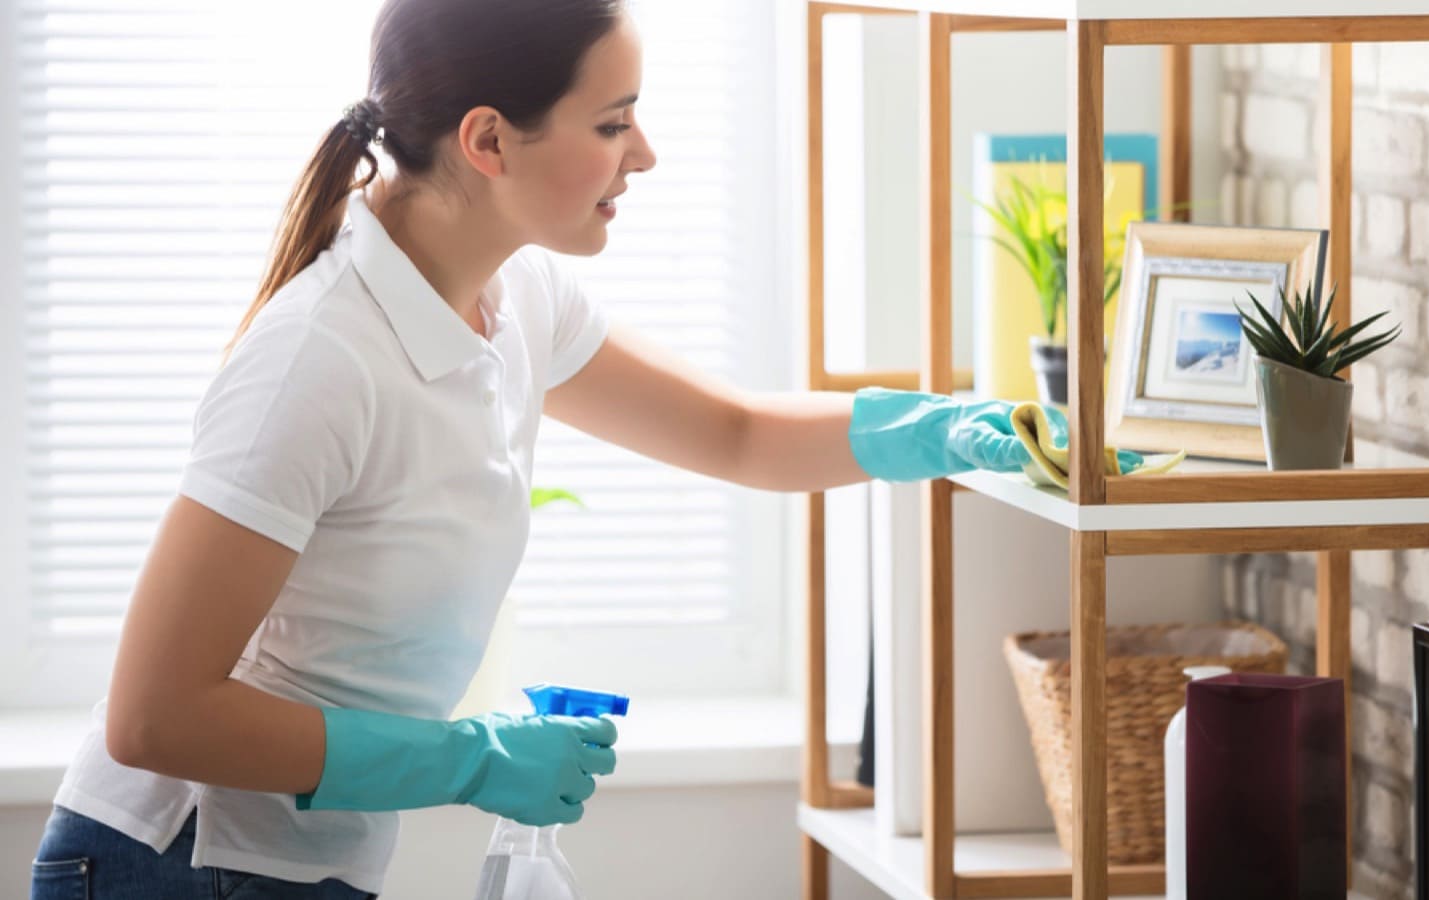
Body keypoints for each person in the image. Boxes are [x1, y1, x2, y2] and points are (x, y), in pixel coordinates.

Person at [28, 1, 1068, 897]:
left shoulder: (514, 297)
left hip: (294, 866)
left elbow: (735, 433)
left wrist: (941, 428)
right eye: (613, 123)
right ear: (488, 141)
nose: (645, 154)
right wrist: (468, 760)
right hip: (168, 862)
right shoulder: (318, 360)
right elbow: (155, 718)